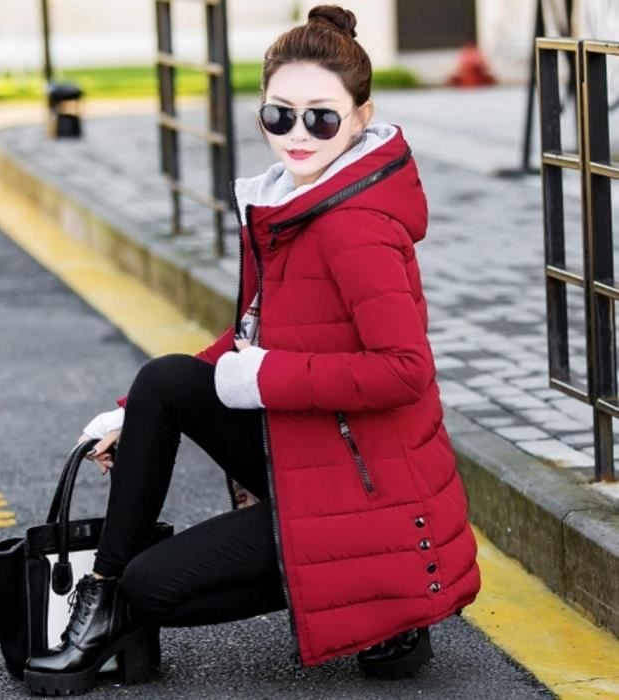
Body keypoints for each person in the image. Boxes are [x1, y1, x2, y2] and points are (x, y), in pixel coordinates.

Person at [23, 4, 481, 695]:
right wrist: (131, 414)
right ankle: (104, 598)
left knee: (155, 587)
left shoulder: (351, 227)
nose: (298, 134)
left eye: (321, 118)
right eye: (279, 115)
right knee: (165, 381)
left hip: (375, 503)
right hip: (329, 453)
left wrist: (264, 379)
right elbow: (250, 339)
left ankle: (388, 601)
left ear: (360, 117)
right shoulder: (295, 204)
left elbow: (404, 371)